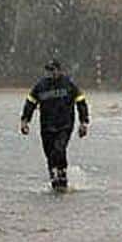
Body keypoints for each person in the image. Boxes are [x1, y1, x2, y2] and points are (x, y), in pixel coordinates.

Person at [20, 58, 90, 191]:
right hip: (46, 126)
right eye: (48, 70)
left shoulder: (68, 84)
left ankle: (62, 175)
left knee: (59, 149)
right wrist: (25, 121)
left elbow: (81, 102)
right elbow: (30, 103)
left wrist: (83, 122)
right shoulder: (40, 86)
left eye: (53, 70)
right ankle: (54, 179)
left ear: (59, 70)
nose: (50, 73)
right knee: (49, 154)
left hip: (64, 125)